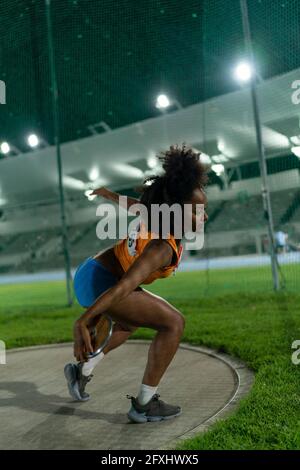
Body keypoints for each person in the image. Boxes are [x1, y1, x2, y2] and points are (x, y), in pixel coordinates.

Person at [64, 144, 208, 423]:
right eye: (197, 211)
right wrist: (83, 320)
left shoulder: (157, 215)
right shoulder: (161, 247)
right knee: (173, 323)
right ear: (175, 212)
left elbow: (136, 205)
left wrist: (108, 195)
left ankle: (81, 371)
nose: (204, 216)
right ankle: (144, 405)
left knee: (131, 322)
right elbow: (125, 287)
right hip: (102, 281)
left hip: (94, 271)